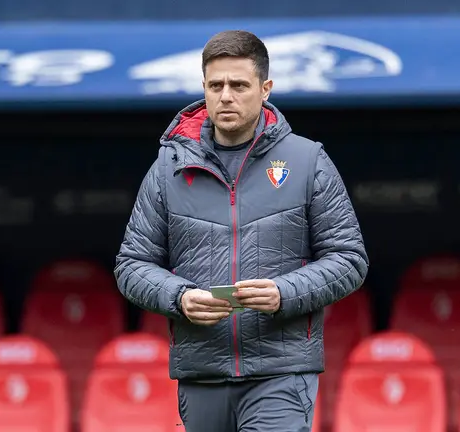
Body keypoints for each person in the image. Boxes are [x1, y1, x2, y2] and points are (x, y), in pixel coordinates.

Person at [113, 30, 369, 432]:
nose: (225, 96)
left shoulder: (307, 160)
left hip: (281, 372)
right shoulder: (168, 168)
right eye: (215, 85)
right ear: (203, 87)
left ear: (265, 89)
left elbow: (350, 259)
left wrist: (285, 293)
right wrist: (180, 298)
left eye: (239, 85)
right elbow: (131, 265)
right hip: (201, 371)